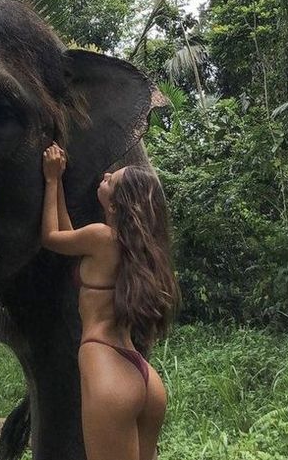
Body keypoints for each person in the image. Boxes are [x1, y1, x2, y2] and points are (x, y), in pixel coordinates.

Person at [41, 143, 180, 460]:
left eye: (109, 181)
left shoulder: (101, 237)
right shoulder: (139, 250)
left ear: (115, 206)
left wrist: (50, 180)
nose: (103, 176)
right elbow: (69, 236)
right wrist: (60, 181)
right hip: (141, 375)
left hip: (106, 370)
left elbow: (51, 237)